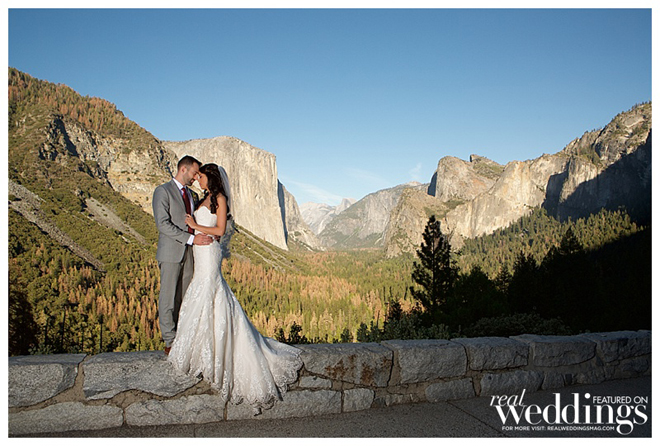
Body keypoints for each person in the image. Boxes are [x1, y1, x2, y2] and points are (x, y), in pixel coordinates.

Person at [167, 163, 303, 414]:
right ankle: (202, 344)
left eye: (201, 176)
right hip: (199, 251)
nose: (197, 179)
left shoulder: (219, 198)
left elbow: (219, 230)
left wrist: (196, 226)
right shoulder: (204, 198)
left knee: (209, 290)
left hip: (209, 252)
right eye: (196, 175)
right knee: (202, 292)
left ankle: (215, 348)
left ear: (211, 178)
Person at [153, 156, 213, 355]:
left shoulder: (192, 195)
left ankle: (182, 337)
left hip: (190, 253)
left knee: (185, 297)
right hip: (171, 252)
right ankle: (170, 340)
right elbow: (163, 224)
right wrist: (191, 239)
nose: (196, 177)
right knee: (168, 298)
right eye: (194, 173)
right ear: (183, 169)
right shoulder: (162, 191)